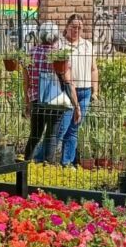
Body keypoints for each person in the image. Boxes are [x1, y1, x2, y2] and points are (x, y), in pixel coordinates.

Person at [25, 22, 80, 163]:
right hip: (55, 99)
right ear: (56, 37)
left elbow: (26, 81)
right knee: (52, 135)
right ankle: (48, 166)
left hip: (36, 99)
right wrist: (76, 106)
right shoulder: (60, 55)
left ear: (40, 36)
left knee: (35, 134)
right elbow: (68, 82)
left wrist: (27, 102)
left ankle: (25, 164)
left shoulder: (31, 53)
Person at [54, 14, 99, 165]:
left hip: (85, 91)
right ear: (67, 27)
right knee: (62, 129)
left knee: (74, 129)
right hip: (67, 91)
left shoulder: (87, 45)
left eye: (79, 27)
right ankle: (40, 159)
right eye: (73, 27)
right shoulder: (61, 46)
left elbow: (94, 69)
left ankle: (66, 163)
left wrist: (95, 91)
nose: (76, 30)